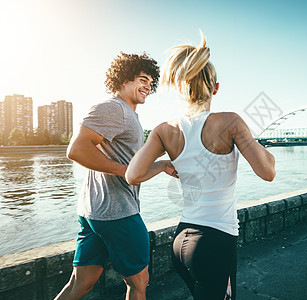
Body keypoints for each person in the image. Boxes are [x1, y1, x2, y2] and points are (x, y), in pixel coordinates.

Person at [125, 33, 276, 300]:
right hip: (215, 242)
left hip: (181, 240)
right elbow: (267, 172)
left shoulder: (165, 130)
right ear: (215, 88)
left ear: (181, 87)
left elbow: (132, 174)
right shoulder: (231, 122)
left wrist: (162, 165)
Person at [55, 52, 175, 300]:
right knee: (139, 283)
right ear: (123, 80)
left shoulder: (129, 115)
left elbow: (134, 172)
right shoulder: (114, 108)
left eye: (150, 83)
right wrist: (123, 170)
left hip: (93, 213)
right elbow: (76, 150)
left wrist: (162, 165)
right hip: (118, 214)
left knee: (81, 283)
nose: (147, 86)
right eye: (142, 79)